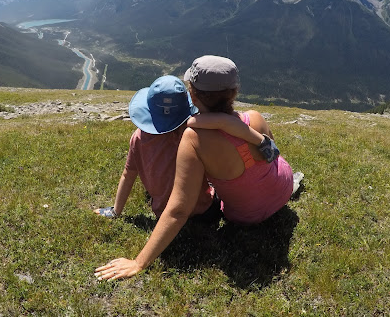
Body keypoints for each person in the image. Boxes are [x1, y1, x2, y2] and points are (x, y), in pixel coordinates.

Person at [95, 56, 296, 281]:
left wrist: (139, 262)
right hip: (283, 188)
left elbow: (179, 210)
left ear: (193, 94)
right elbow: (273, 155)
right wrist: (226, 123)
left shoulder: (194, 139)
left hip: (246, 216)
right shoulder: (255, 118)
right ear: (234, 92)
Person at [94, 74, 277, 219]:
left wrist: (116, 211)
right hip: (203, 211)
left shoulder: (137, 138)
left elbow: (128, 174)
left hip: (162, 212)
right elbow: (224, 123)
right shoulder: (193, 136)